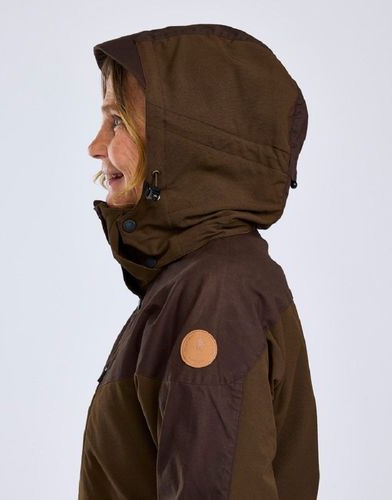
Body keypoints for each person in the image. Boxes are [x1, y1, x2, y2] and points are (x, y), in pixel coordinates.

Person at [78, 23, 320, 500]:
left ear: (183, 141)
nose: (95, 146)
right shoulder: (196, 282)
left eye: (118, 121)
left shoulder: (216, 293)